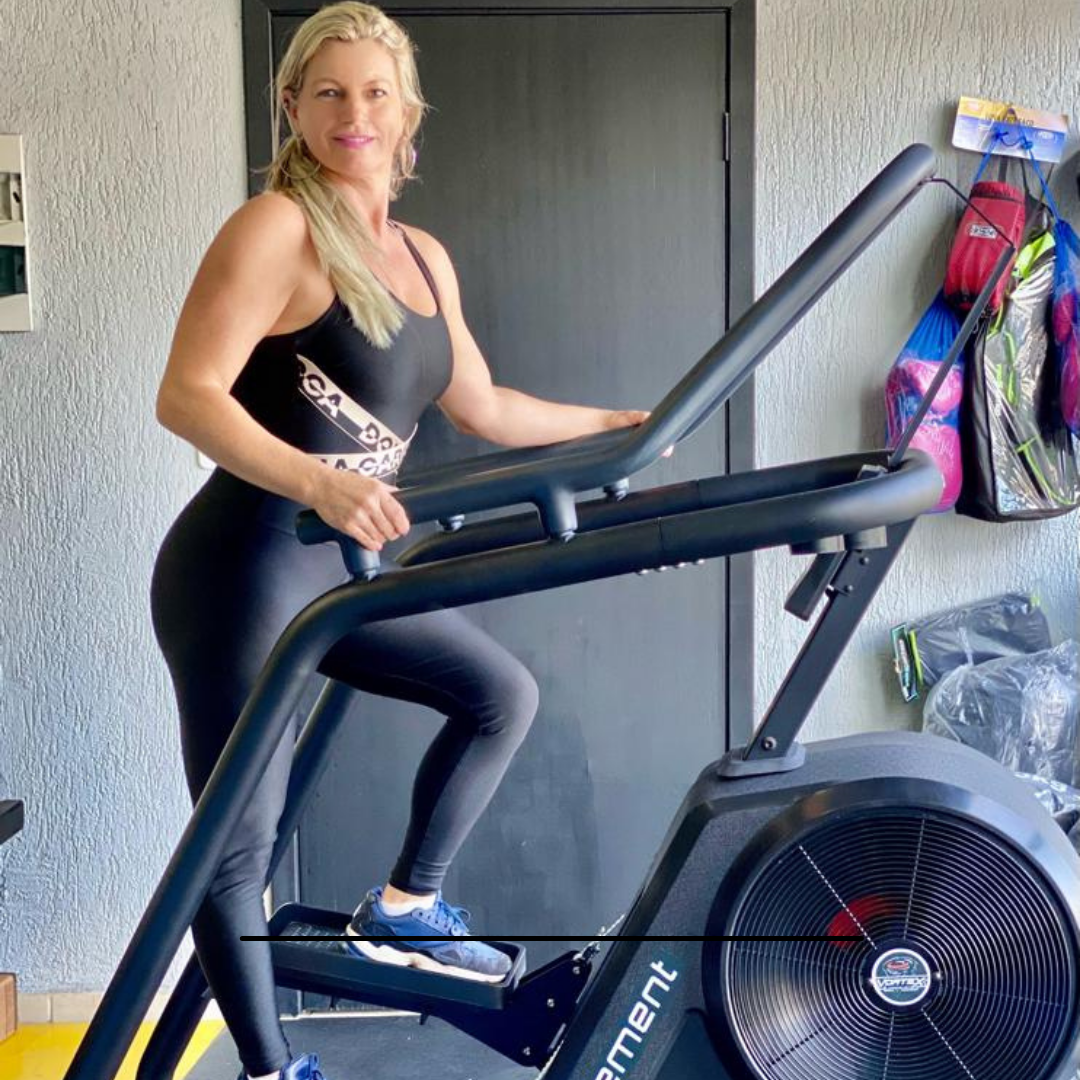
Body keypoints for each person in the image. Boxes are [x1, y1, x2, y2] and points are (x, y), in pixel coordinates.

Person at [151, 4, 654, 1079]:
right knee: (239, 840)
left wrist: (617, 426)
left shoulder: (422, 255)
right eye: (329, 92)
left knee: (497, 696)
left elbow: (483, 406)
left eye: (375, 91)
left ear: (408, 111)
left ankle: (405, 906)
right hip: (241, 566)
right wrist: (318, 482)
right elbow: (186, 395)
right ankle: (270, 1068)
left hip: (334, 570)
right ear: (292, 106)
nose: (355, 113)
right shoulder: (276, 229)